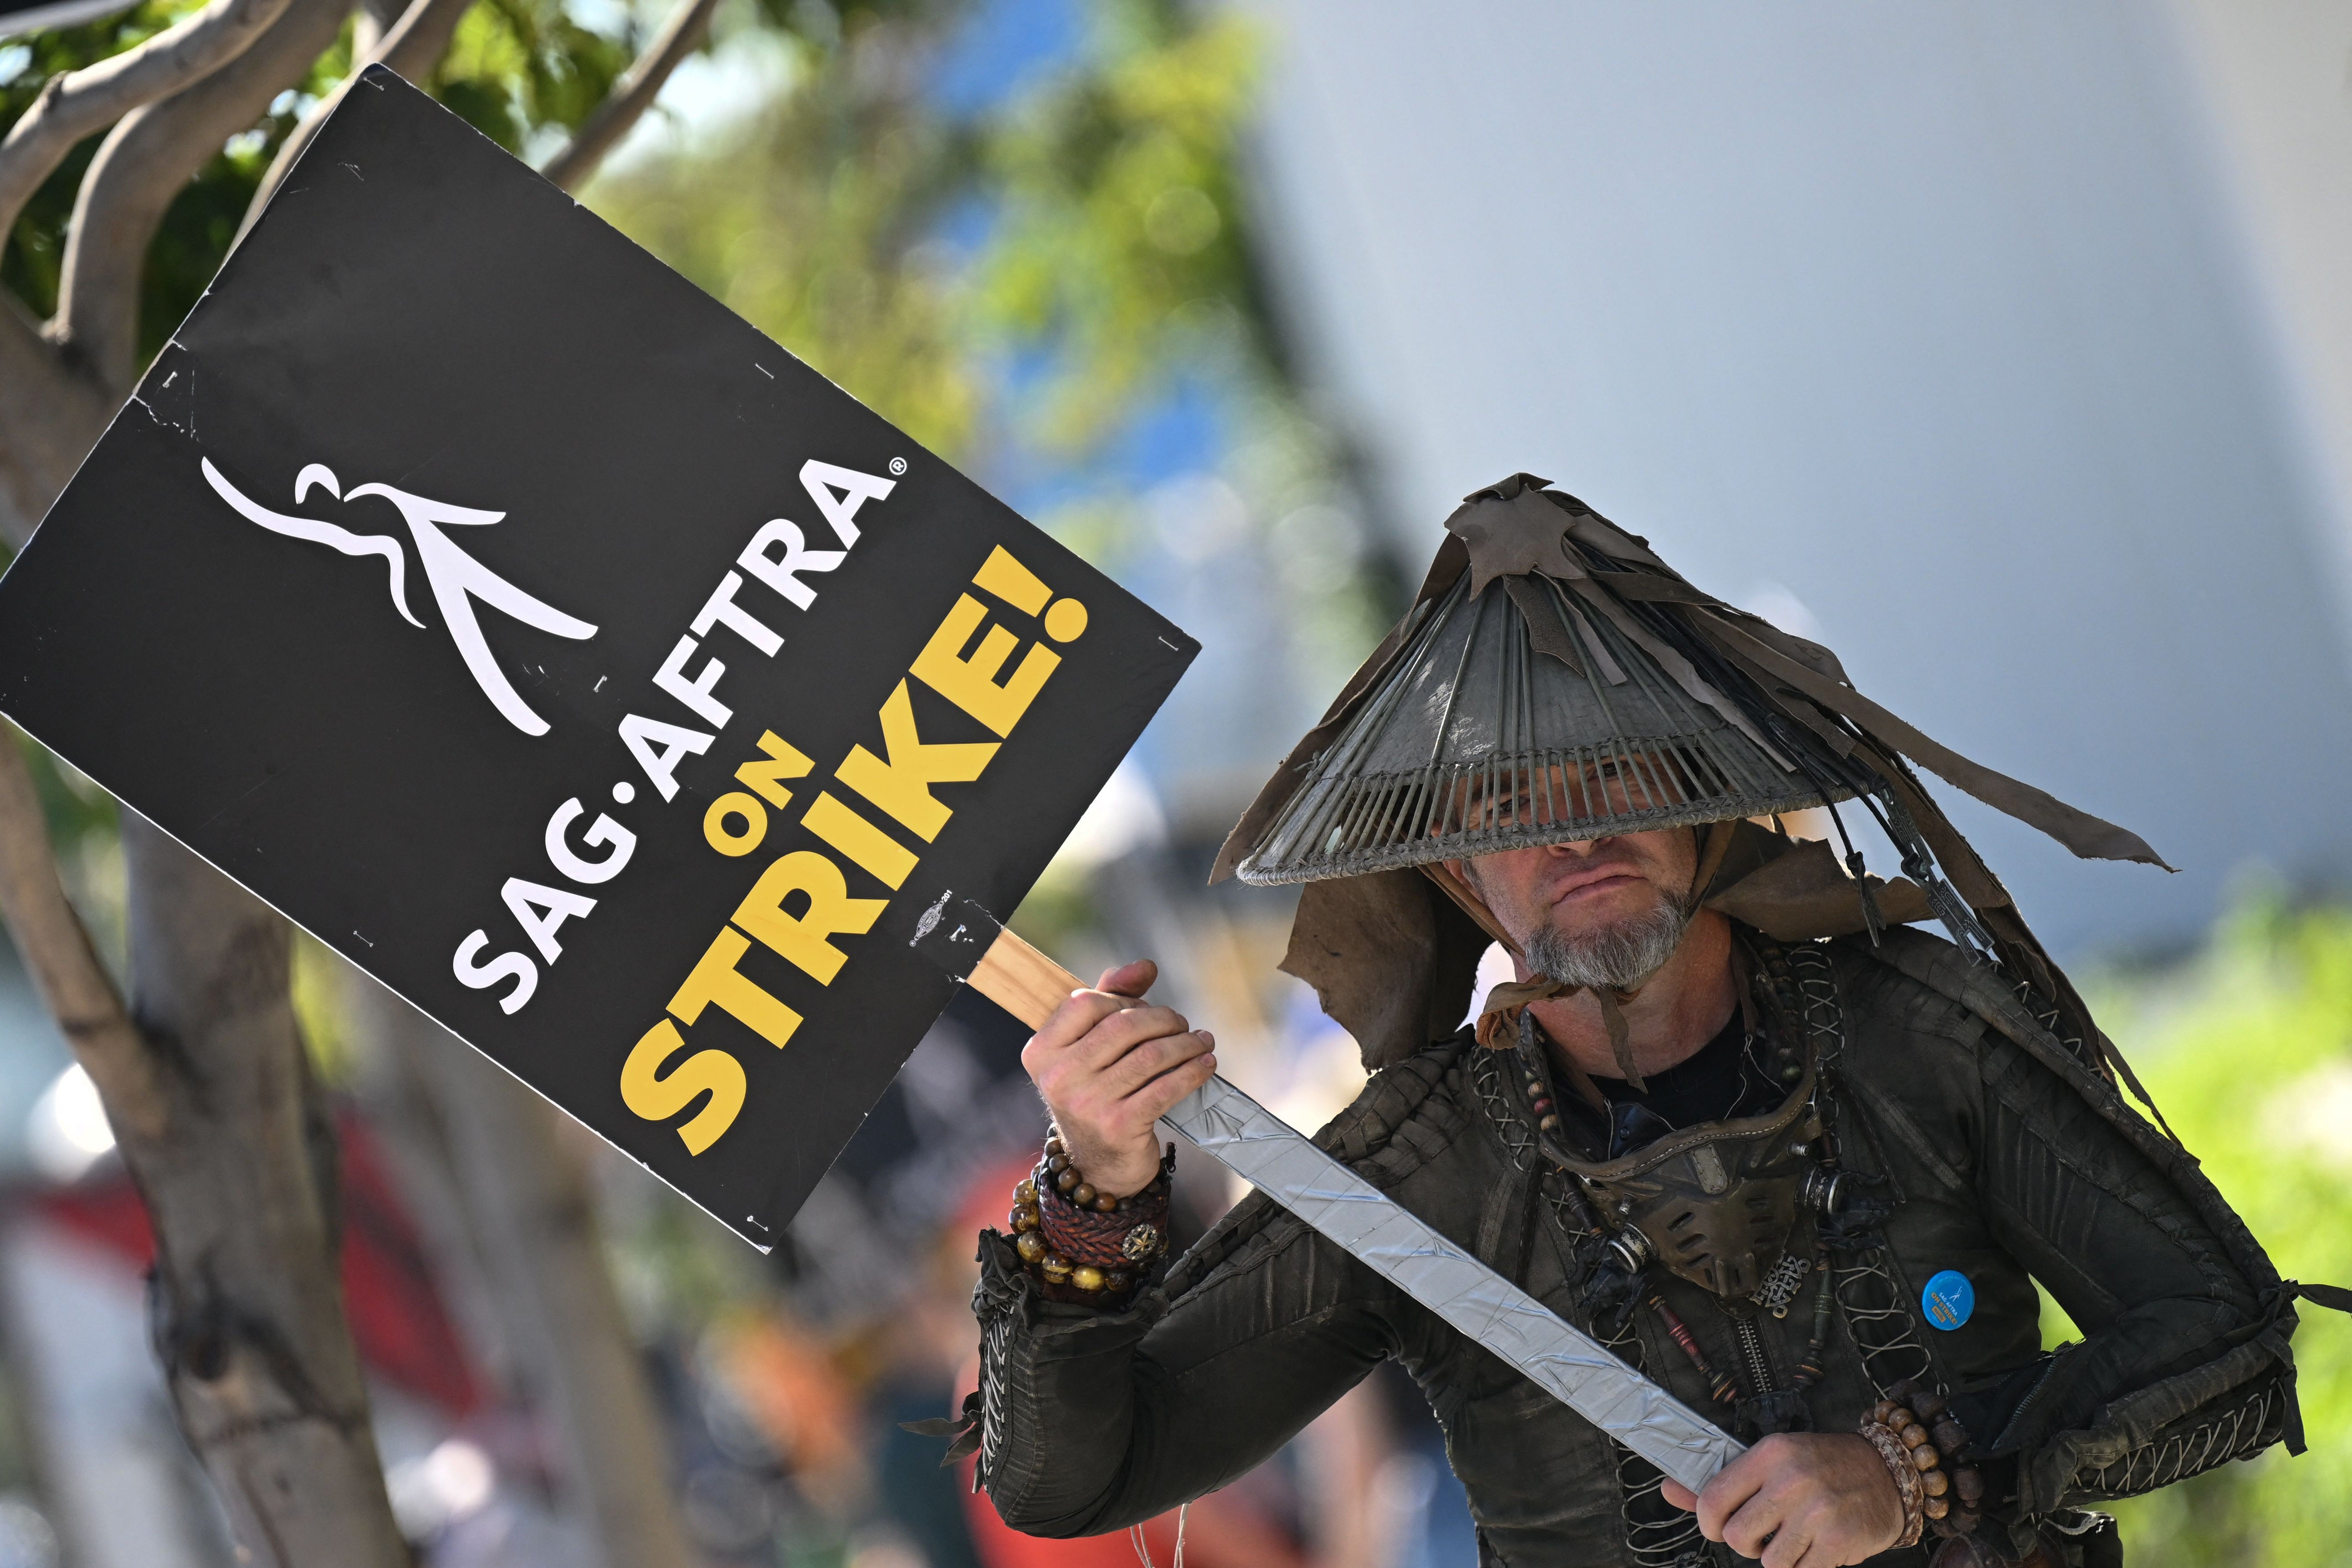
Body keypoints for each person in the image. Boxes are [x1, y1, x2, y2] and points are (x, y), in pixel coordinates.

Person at [944, 474, 2335, 1568]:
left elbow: (2221, 1336)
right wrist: (1096, 1192)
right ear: (1452, 874)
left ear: (1697, 795)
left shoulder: (1919, 1035)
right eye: (1506, 804)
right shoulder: (1418, 1177)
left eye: (1608, 773)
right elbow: (1074, 1483)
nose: (1574, 830)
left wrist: (1916, 1480)